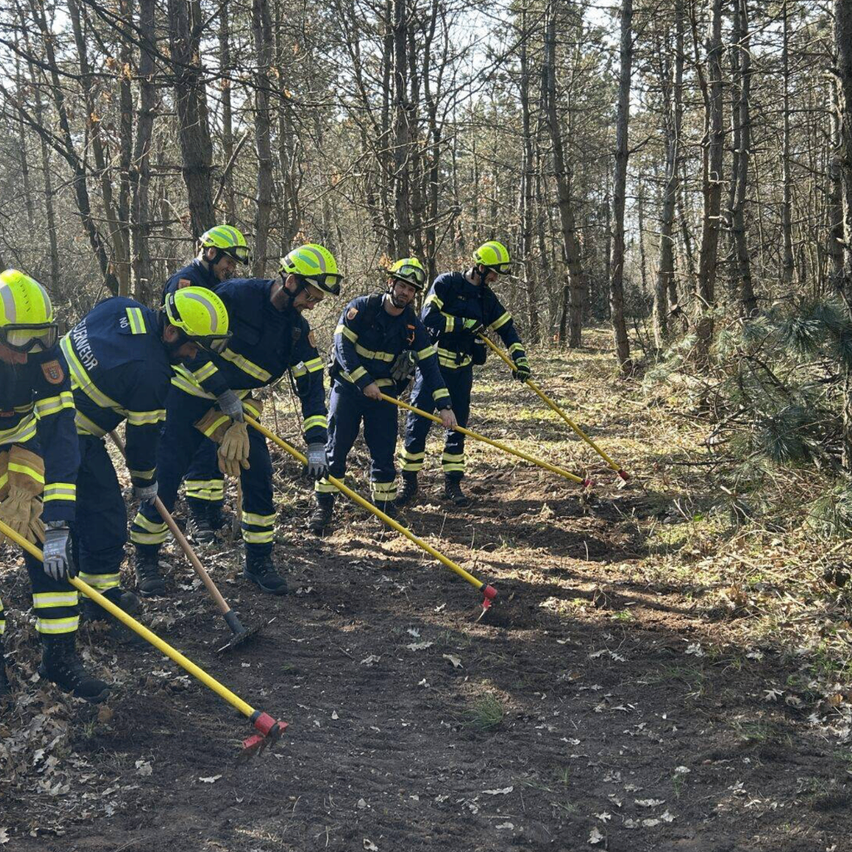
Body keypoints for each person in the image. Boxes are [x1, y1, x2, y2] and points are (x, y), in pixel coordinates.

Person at [130, 244, 341, 596]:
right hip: (188, 396)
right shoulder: (235, 294)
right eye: (311, 295)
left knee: (259, 473)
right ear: (290, 281)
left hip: (235, 411)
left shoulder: (296, 333)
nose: (313, 304)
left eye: (318, 299)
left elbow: (311, 388)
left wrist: (317, 443)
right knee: (165, 478)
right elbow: (190, 336)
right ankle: (146, 557)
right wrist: (220, 389)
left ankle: (258, 560)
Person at [60, 288, 231, 630]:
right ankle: (101, 603)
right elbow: (142, 440)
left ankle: (82, 585)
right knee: (106, 514)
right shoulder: (152, 372)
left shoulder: (122, 307)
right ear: (171, 332)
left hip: (43, 411)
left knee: (82, 509)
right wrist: (145, 482)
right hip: (68, 432)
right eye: (191, 346)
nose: (192, 354)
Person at [0, 269, 107, 702]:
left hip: (25, 442)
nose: (29, 354)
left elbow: (62, 433)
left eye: (39, 338)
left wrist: (60, 523)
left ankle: (59, 658)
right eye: (18, 342)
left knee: (50, 544)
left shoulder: (46, 357)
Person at [309, 258, 456, 533]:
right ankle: (323, 507)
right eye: (402, 286)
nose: (405, 293)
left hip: (384, 394)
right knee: (336, 446)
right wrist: (364, 381)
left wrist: (444, 406)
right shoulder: (362, 308)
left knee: (383, 451)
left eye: (411, 290)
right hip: (348, 388)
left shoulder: (413, 326)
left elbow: (430, 368)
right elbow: (342, 347)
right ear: (391, 283)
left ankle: (385, 509)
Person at [397, 241, 531, 508]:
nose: (494, 278)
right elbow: (428, 317)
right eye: (492, 273)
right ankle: (409, 483)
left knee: (457, 427)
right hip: (433, 367)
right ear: (480, 267)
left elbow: (507, 329)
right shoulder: (447, 283)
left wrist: (519, 358)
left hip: (462, 370)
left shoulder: (486, 298)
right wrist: (463, 324)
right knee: (417, 424)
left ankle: (453, 483)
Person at [162, 225, 251, 543]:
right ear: (210, 252)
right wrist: (222, 391)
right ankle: (197, 517)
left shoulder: (219, 285)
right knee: (194, 451)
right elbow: (191, 348)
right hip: (188, 385)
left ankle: (212, 510)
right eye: (228, 260)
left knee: (214, 446)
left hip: (214, 383)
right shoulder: (186, 284)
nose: (232, 268)